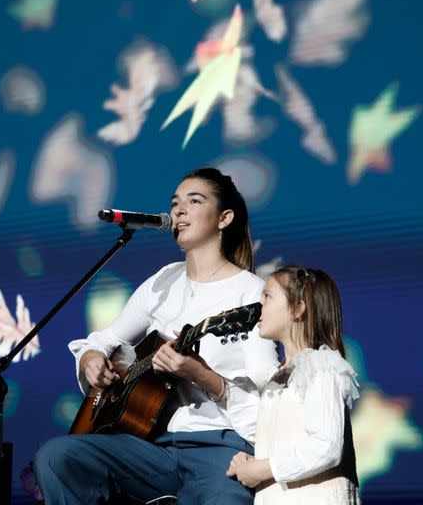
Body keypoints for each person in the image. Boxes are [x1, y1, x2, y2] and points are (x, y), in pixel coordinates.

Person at [32, 168, 280, 505]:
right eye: (175, 203)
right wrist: (92, 358)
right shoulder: (163, 281)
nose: (179, 211)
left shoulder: (252, 295)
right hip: (152, 447)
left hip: (222, 447)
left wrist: (202, 375)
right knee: (57, 456)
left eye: (194, 201)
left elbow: (270, 398)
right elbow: (103, 340)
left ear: (225, 218)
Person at [226, 266, 360, 504]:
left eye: (268, 296)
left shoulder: (322, 366)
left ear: (298, 309)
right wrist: (250, 465)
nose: (260, 306)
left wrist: (262, 470)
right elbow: (279, 437)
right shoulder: (279, 377)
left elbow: (327, 446)